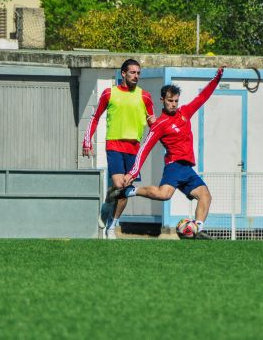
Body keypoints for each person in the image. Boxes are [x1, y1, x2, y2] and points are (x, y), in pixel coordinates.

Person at [111, 66, 226, 240]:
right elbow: (144, 148)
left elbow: (203, 97)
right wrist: (133, 172)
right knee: (164, 195)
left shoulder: (185, 113)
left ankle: (197, 229)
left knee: (205, 196)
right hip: (174, 166)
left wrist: (217, 78)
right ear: (162, 100)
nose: (173, 104)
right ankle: (129, 192)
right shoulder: (160, 124)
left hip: (187, 168)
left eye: (176, 101)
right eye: (170, 101)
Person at [82, 59, 155, 239]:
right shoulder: (109, 93)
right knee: (119, 185)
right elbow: (95, 117)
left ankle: (111, 227)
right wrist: (87, 141)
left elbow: (154, 124)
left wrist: (152, 125)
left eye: (138, 73)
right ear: (123, 73)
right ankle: (107, 204)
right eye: (132, 72)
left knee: (124, 192)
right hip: (114, 144)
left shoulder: (144, 96)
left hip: (134, 147)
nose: (136, 76)